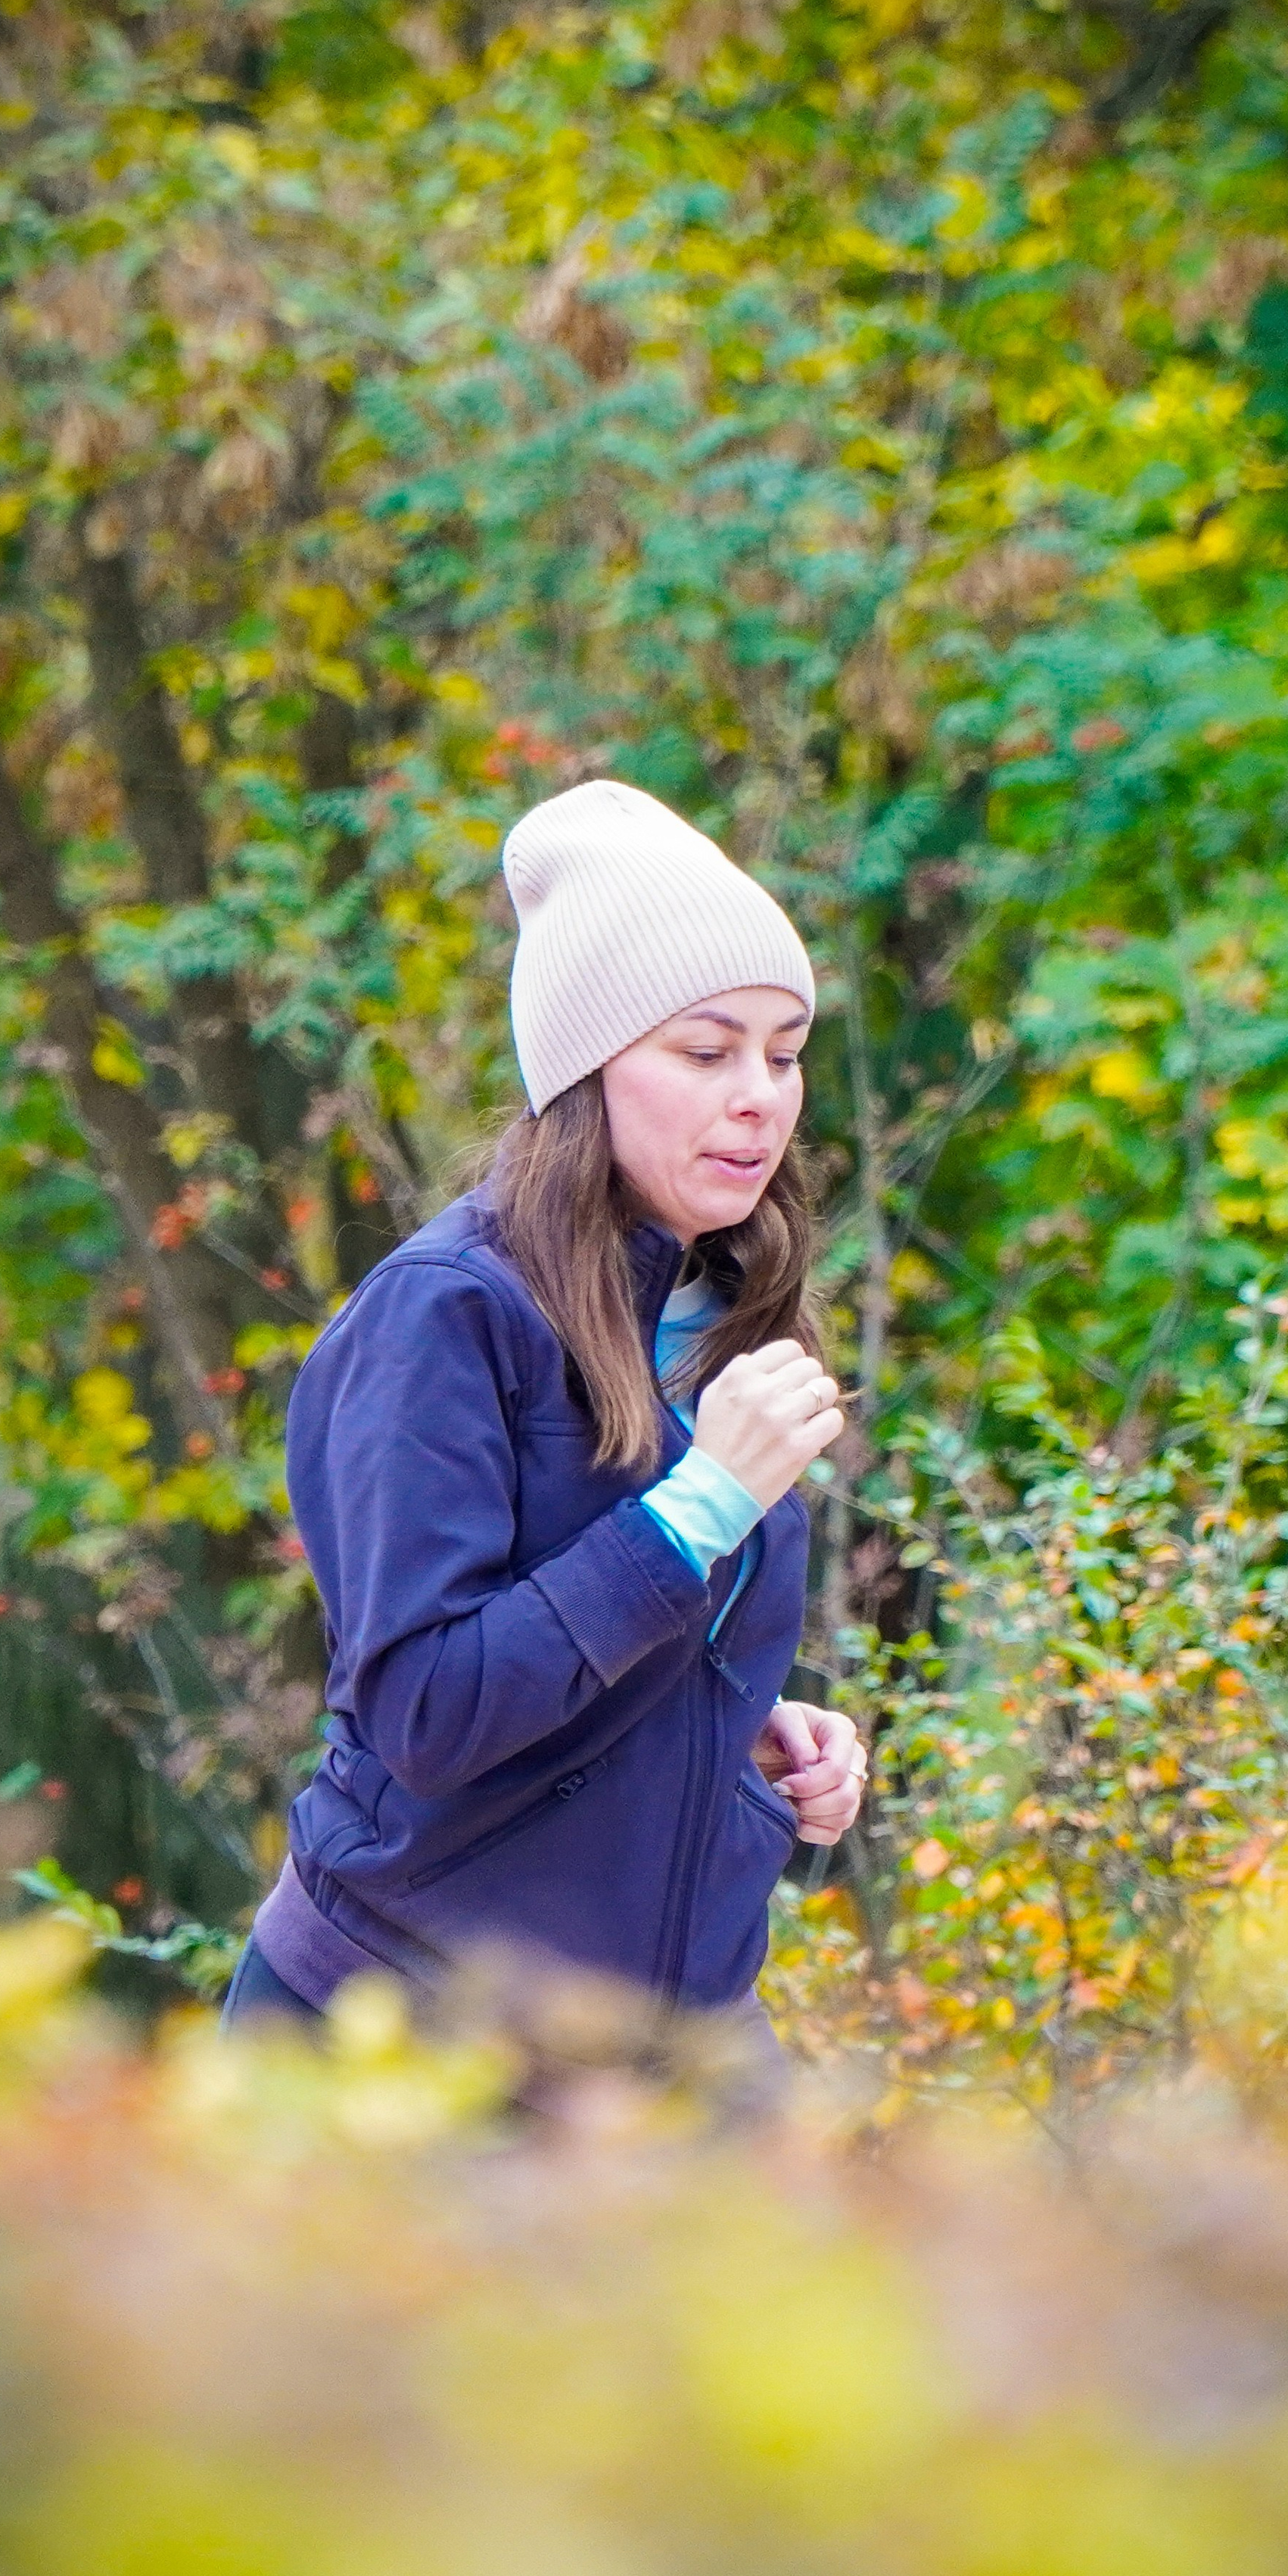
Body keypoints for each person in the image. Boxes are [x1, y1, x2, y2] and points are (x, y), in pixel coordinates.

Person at [222, 780, 866, 2053]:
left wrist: (735, 1724)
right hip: (404, 2044)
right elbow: (432, 1711)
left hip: (672, 2056)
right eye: (706, 1051)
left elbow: (606, 1649)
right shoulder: (445, 1315)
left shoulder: (726, 1297)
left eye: (784, 1054)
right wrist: (704, 1507)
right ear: (587, 1069)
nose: (760, 1096)